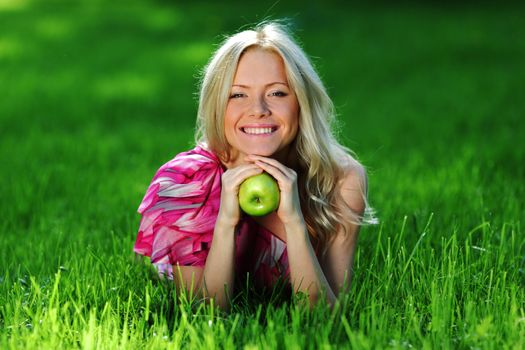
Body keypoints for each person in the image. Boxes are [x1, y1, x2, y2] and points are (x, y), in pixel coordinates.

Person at [133, 21, 374, 311]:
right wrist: (225, 222)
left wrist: (294, 223)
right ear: (217, 107)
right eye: (237, 95)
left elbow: (325, 315)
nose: (258, 109)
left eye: (277, 93)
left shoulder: (340, 180)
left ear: (302, 102)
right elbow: (205, 315)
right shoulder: (186, 181)